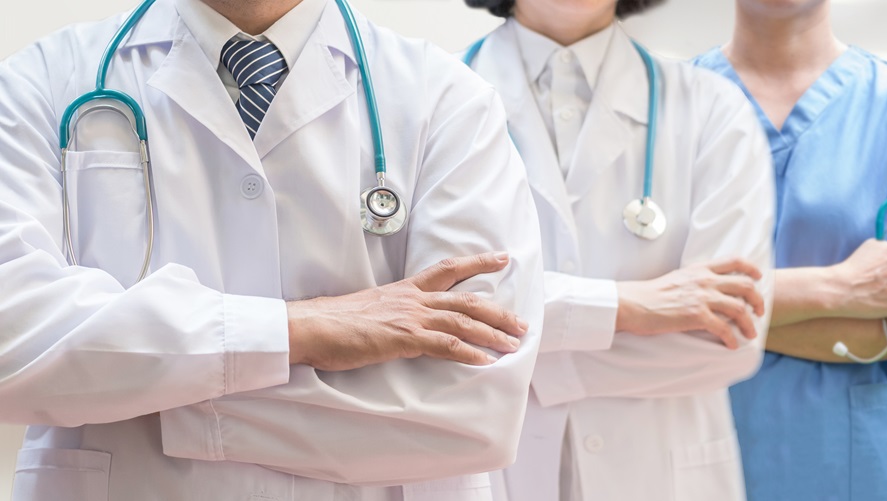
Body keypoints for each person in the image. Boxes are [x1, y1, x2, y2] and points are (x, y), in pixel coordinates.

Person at [0, 0, 547, 498]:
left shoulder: (449, 99)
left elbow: (472, 410)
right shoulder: (39, 83)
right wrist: (297, 330)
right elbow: (11, 339)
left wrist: (138, 383)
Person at [690, 0, 887, 498]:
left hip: (868, 466)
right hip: (700, 452)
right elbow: (640, 303)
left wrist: (703, 313)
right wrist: (842, 288)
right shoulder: (668, 107)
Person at [459, 0, 775, 500]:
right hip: (490, 474)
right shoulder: (437, 104)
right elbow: (431, 314)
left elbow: (730, 336)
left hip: (660, 476)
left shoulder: (713, 109)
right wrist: (631, 308)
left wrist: (524, 351)